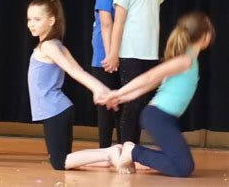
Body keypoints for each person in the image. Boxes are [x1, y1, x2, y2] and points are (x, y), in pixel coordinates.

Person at [66, 12, 214, 178]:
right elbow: (148, 78)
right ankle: (132, 151)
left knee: (183, 164)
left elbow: (150, 85)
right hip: (159, 117)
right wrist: (118, 93)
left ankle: (134, 152)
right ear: (206, 37)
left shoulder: (187, 59)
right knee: (183, 167)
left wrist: (119, 98)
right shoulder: (184, 61)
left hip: (161, 118)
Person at [26, 0, 110, 170]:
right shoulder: (56, 44)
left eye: (37, 19)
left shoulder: (49, 46)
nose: (31, 24)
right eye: (29, 19)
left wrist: (97, 89)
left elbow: (74, 71)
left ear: (51, 21)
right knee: (66, 159)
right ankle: (112, 155)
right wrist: (101, 88)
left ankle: (109, 153)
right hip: (60, 109)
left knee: (59, 162)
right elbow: (79, 71)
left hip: (54, 110)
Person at [102, 0, 163, 144]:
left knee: (144, 102)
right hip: (131, 54)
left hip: (150, 54)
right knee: (132, 102)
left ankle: (133, 149)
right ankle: (125, 149)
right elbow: (118, 22)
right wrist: (113, 53)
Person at [90, 0, 129, 149]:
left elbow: (107, 24)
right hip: (122, 56)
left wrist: (109, 55)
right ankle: (124, 147)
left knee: (105, 107)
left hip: (104, 59)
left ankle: (104, 150)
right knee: (121, 106)